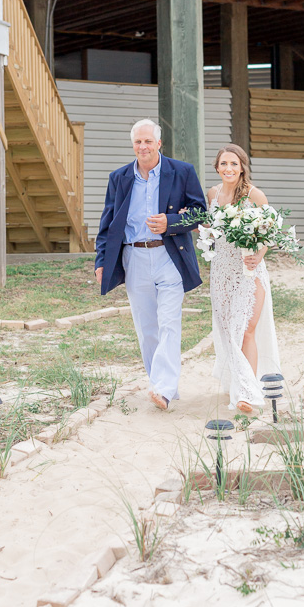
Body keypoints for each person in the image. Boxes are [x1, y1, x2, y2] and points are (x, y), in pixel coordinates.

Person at [95, 119, 205, 410]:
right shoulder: (119, 177)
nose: (142, 147)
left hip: (169, 256)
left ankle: (163, 389)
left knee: (169, 322)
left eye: (147, 141)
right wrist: (101, 261)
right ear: (133, 145)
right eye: (137, 142)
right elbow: (107, 224)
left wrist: (170, 223)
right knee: (146, 327)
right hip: (134, 257)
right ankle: (162, 382)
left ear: (158, 144)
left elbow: (199, 212)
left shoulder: (182, 171)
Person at [207, 144, 281, 414]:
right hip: (221, 271)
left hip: (249, 270)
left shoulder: (254, 195)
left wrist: (259, 255)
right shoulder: (212, 194)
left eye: (234, 164)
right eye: (224, 164)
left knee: (246, 329)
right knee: (228, 331)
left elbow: (272, 232)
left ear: (242, 167)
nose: (228, 169)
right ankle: (238, 383)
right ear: (217, 167)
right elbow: (213, 232)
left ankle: (248, 393)